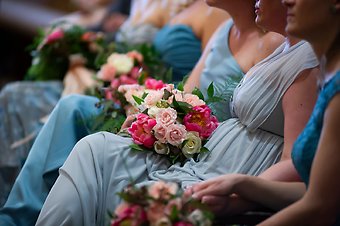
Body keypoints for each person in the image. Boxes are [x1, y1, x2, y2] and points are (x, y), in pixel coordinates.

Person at [33, 0, 320, 224]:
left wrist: (241, 193)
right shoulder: (284, 49)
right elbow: (194, 98)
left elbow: (296, 162)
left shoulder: (304, 58)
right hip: (205, 157)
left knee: (102, 156)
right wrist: (154, 114)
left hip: (229, 171)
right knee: (93, 149)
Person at [0, 0, 229, 225]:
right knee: (18, 96)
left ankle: (20, 214)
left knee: (72, 107)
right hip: (137, 91)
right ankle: (18, 207)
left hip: (161, 103)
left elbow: (204, 89)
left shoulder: (215, 12)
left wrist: (152, 99)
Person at [191, 0, 340, 225]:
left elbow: (321, 207)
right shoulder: (325, 71)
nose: (286, 1)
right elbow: (314, 194)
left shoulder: (327, 83)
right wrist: (242, 189)